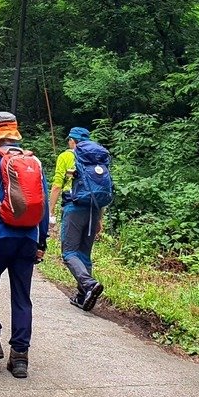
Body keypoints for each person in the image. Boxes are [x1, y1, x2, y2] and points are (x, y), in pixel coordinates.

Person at [0, 112, 50, 379]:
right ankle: (20, 357)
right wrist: (42, 240)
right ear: (15, 133)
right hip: (28, 237)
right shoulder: (34, 160)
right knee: (21, 295)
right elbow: (43, 203)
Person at [50, 126, 112, 311]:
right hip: (94, 209)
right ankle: (82, 295)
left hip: (74, 207)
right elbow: (100, 189)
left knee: (69, 252)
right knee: (84, 254)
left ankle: (89, 284)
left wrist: (50, 210)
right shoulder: (98, 159)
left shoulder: (67, 155)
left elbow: (57, 184)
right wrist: (100, 218)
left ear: (72, 141)